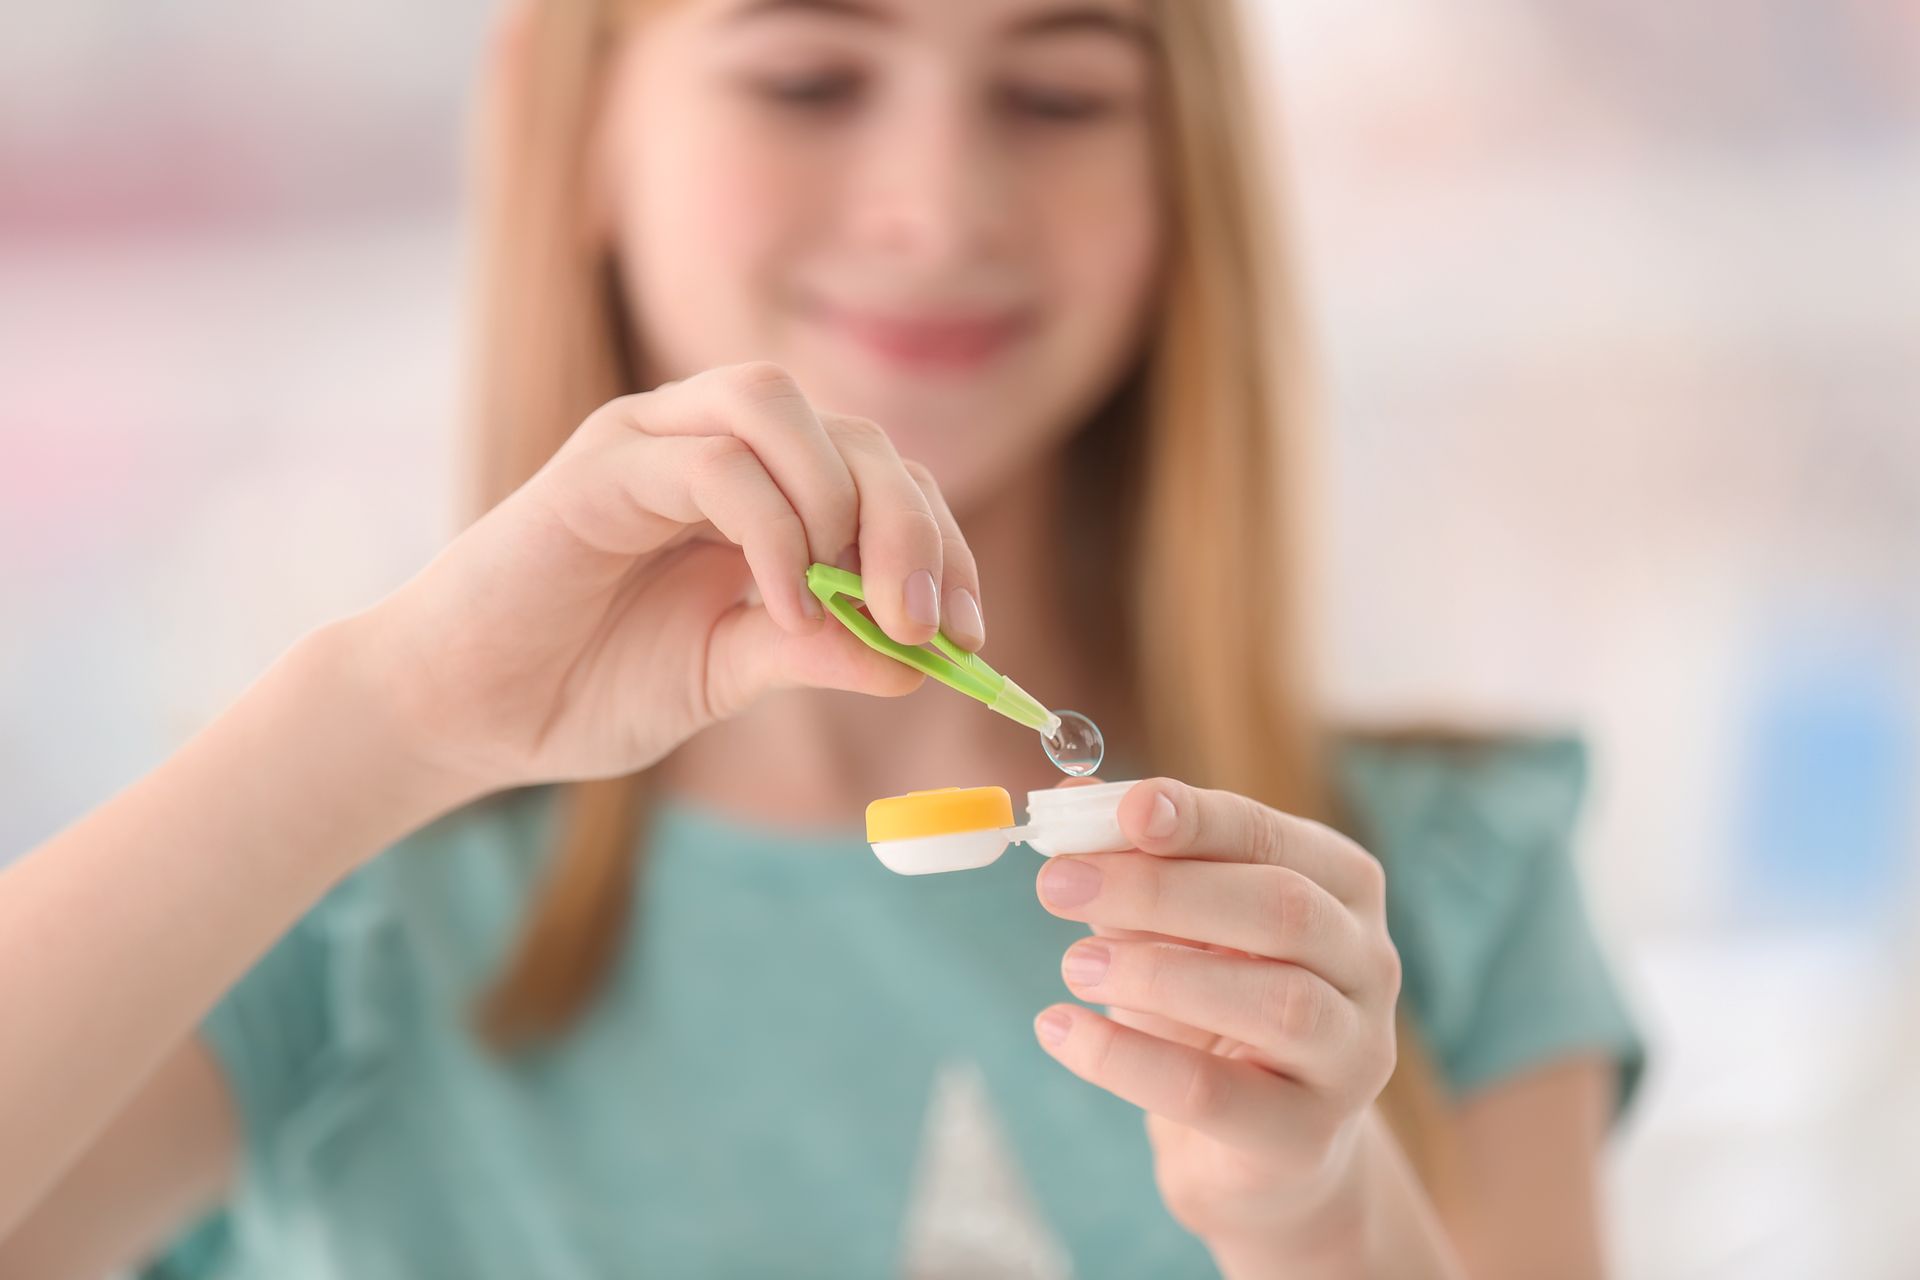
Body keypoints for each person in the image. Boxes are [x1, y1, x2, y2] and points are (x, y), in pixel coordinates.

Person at [0, 0, 1643, 1275]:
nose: (939, 208)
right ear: (570, 130)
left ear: (1186, 168)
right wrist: (386, 719)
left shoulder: (1424, 884)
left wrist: (1323, 1223)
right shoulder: (318, 916)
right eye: (807, 79)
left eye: (1060, 94)